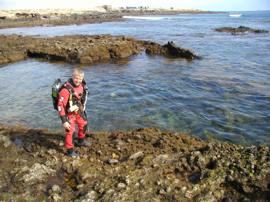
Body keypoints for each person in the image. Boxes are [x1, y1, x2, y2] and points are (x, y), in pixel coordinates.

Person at [57, 68, 90, 157]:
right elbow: (60, 106)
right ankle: (70, 151)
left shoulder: (82, 86)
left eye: (80, 78)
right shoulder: (66, 89)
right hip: (69, 115)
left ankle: (80, 141)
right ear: (72, 77)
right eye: (76, 78)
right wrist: (64, 121)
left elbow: (82, 98)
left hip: (78, 111)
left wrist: (82, 108)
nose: (78, 80)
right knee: (70, 132)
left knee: (84, 124)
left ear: (82, 78)